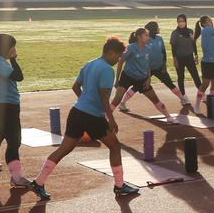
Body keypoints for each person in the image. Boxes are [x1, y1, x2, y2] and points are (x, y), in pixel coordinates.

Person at [30, 37, 140, 200]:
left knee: (63, 149)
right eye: (118, 56)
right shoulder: (107, 70)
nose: (119, 60)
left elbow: (75, 87)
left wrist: (85, 101)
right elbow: (104, 98)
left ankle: (38, 182)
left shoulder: (89, 64)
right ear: (110, 53)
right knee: (115, 147)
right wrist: (111, 119)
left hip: (77, 112)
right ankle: (119, 186)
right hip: (93, 117)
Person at [0, 33, 30, 187]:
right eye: (11, 46)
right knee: (14, 141)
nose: (13, 49)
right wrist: (14, 59)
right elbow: (18, 76)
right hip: (6, 106)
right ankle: (16, 178)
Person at [112, 27, 177, 123]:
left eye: (148, 35)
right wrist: (117, 80)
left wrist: (148, 79)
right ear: (139, 37)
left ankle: (168, 117)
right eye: (146, 35)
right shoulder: (130, 48)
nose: (148, 37)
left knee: (155, 99)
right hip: (127, 76)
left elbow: (147, 65)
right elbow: (120, 62)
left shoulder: (148, 48)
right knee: (117, 98)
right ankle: (105, 117)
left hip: (141, 79)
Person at [144, 21, 189, 108]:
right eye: (157, 27)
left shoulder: (159, 38)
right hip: (147, 68)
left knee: (169, 83)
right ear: (153, 29)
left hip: (159, 67)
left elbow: (163, 52)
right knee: (138, 85)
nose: (159, 28)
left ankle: (183, 98)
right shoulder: (146, 39)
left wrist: (164, 65)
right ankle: (123, 103)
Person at [170, 13, 202, 103]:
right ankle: (183, 97)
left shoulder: (190, 31)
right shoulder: (175, 33)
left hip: (189, 57)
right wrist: (174, 59)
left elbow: (193, 43)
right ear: (177, 22)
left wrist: (196, 55)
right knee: (181, 77)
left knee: (195, 75)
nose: (181, 23)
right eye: (179, 21)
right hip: (179, 58)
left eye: (183, 21)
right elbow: (173, 47)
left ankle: (201, 93)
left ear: (186, 21)